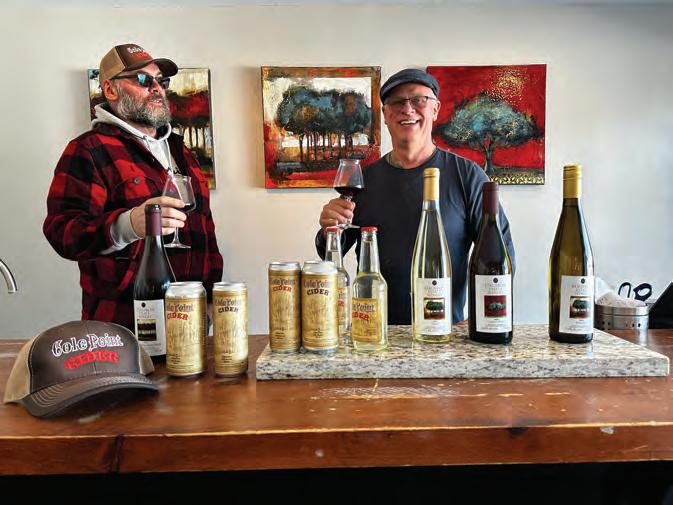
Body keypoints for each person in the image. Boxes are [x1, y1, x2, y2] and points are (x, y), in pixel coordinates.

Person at [44, 43, 223, 331]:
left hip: (190, 317)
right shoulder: (88, 149)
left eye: (160, 81)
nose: (157, 88)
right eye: (142, 79)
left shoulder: (180, 149)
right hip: (123, 321)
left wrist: (212, 296)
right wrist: (128, 225)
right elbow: (62, 232)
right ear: (110, 90)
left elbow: (205, 230)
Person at [316, 68, 515, 324]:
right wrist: (329, 230)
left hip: (444, 331)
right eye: (397, 102)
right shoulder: (363, 181)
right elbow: (333, 254)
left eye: (418, 100)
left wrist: (479, 318)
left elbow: (501, 256)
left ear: (435, 109)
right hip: (375, 331)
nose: (407, 109)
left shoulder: (467, 175)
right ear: (385, 115)